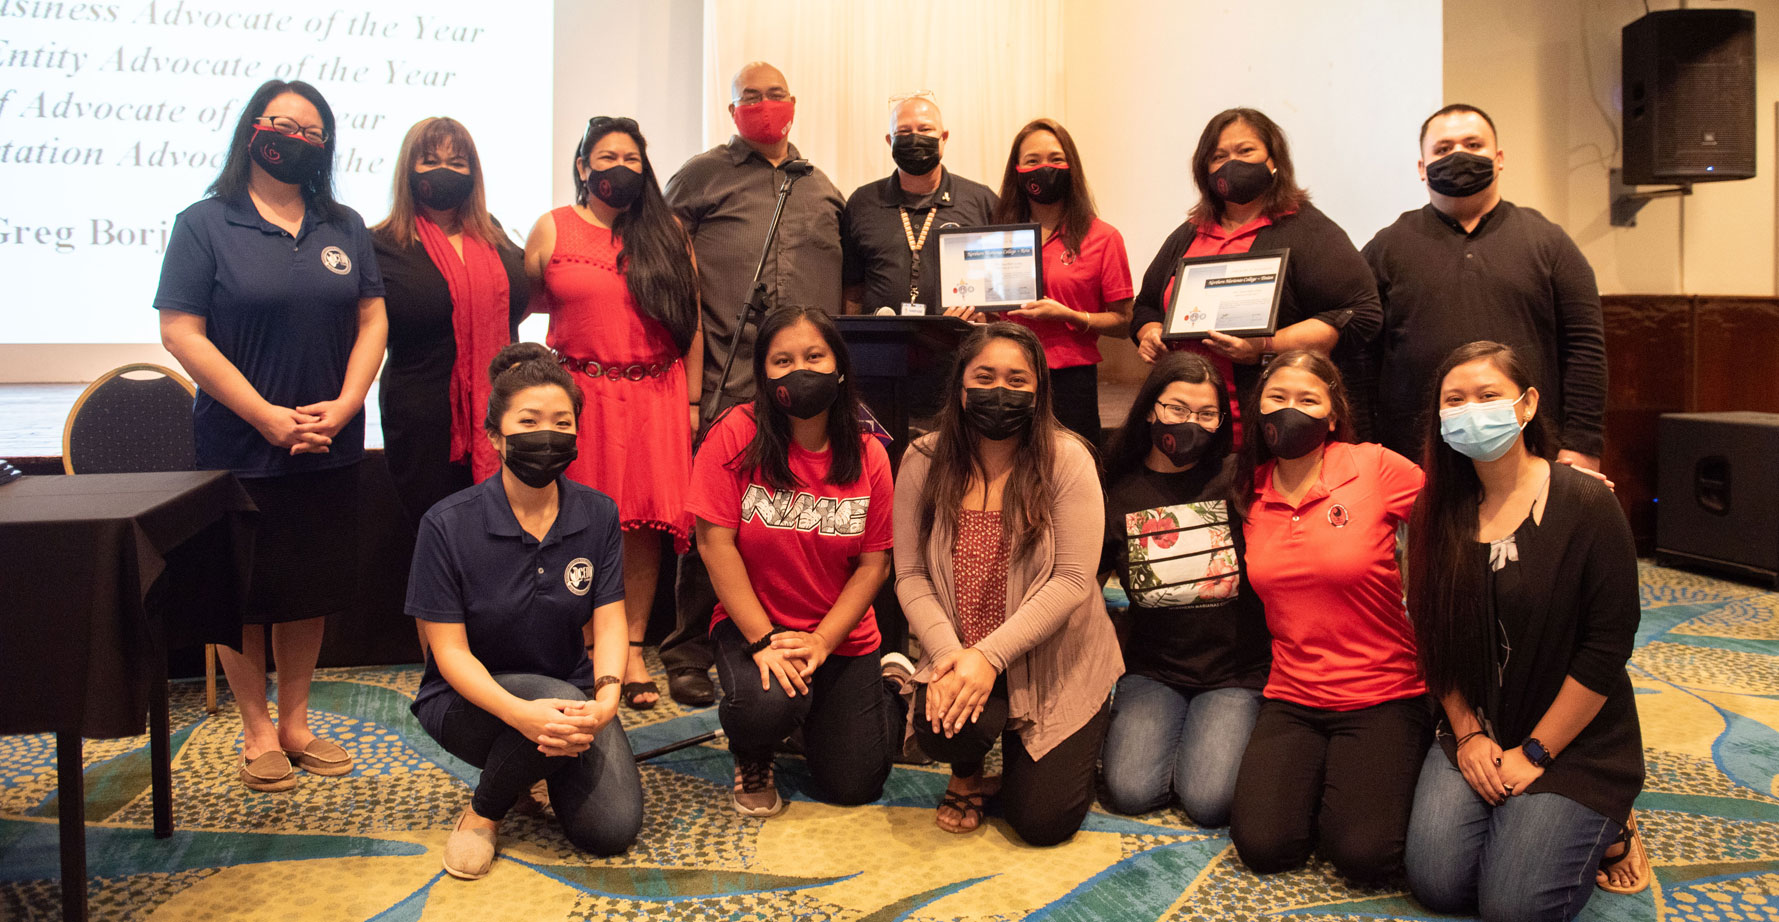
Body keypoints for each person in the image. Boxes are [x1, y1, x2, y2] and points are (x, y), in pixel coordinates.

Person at [155, 79, 387, 792]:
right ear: (253, 131)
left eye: (310, 128)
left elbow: (372, 319)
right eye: (279, 122)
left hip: (329, 444)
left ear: (324, 146)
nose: (293, 136)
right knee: (243, 595)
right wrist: (263, 414)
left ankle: (296, 721)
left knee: (305, 588)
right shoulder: (204, 223)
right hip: (239, 446)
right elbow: (179, 330)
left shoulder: (342, 224)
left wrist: (348, 405)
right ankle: (256, 730)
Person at [1402, 341, 1646, 919]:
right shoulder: (1435, 509)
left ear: (1527, 403)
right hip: (1477, 723)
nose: (1471, 411)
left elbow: (1607, 647)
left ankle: (1615, 828)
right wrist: (1465, 734)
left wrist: (1536, 752)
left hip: (1572, 735)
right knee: (1438, 883)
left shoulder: (1586, 502)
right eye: (1454, 401)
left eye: (1488, 396)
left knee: (1512, 906)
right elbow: (1431, 633)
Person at [406, 343, 644, 878]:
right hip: (466, 702)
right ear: (495, 435)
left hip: (572, 703)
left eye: (562, 422)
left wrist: (607, 698)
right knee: (554, 702)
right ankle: (484, 811)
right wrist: (519, 713)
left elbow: (609, 619)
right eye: (530, 420)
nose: (548, 434)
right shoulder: (446, 524)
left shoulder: (597, 513)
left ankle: (530, 767)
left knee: (611, 831)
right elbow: (447, 653)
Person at [660, 61, 847, 707]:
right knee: (708, 523)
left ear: (792, 104)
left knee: (789, 517)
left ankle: (781, 632)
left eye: (773, 96)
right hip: (723, 382)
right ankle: (685, 648)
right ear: (732, 108)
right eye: (749, 98)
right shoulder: (700, 176)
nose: (763, 106)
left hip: (807, 394)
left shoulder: (822, 188)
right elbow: (660, 256)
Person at [894, 323, 1122, 846]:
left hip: (1053, 655)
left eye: (1018, 380)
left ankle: (1067, 735)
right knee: (941, 728)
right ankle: (967, 772)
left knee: (1041, 823)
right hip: (959, 648)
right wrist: (953, 656)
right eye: (986, 376)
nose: (1001, 391)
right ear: (959, 386)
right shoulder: (923, 460)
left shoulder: (1067, 457)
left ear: (1040, 391)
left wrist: (989, 657)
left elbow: (1072, 580)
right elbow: (908, 574)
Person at [686, 307, 902, 816]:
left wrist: (823, 642)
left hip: (839, 636)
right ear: (763, 374)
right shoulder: (735, 434)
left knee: (856, 785)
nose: (799, 370)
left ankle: (887, 689)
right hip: (754, 629)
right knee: (763, 708)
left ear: (840, 368)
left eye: (814, 356)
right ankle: (754, 750)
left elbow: (875, 566)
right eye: (781, 360)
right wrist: (763, 640)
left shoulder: (870, 452)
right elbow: (714, 544)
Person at [1226, 351, 1431, 884]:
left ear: (1333, 415)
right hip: (1292, 694)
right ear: (1257, 408)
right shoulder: (1248, 489)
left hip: (1384, 691)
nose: (1290, 410)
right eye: (1277, 397)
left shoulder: (1373, 466)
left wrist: (1554, 485)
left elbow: (1459, 507)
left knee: (1365, 858)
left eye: (1308, 399)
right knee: (1263, 847)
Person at [524, 116, 702, 710]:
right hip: (579, 398)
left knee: (642, 529)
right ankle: (583, 650)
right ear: (582, 167)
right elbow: (516, 307)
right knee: (579, 523)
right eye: (606, 157)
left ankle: (627, 650)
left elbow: (691, 321)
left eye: (630, 157)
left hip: (656, 394)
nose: (619, 168)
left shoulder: (667, 231)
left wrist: (697, 399)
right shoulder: (551, 228)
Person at [1363, 104, 1607, 469]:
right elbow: (1360, 357)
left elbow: (1585, 348)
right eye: (1443, 149)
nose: (1459, 155)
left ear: (1499, 158)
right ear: (1421, 167)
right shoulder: (1385, 248)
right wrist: (1364, 448)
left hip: (1531, 454)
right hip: (1414, 460)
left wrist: (1582, 444)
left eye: (1473, 145)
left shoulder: (1550, 243)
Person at [1130, 108, 1380, 444]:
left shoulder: (1308, 230)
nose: (1232, 163)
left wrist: (1265, 346)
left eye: (1246, 151)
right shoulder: (1188, 234)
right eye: (1219, 156)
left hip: (1274, 425)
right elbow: (1145, 307)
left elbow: (1360, 313)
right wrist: (1150, 332)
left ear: (1274, 160)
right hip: (1191, 425)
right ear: (1205, 169)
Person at [1098, 353, 1269, 828]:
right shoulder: (1115, 489)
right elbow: (1084, 588)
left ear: (1221, 421)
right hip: (1154, 670)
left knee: (1209, 802)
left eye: (1206, 413)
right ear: (1150, 409)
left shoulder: (1242, 477)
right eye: (1176, 408)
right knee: (1130, 792)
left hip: (1234, 674)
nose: (1190, 422)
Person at [371, 118, 527, 610]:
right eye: (431, 160)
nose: (444, 171)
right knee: (437, 549)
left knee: (505, 545)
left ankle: (499, 666)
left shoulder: (497, 236)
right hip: (423, 425)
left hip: (501, 417)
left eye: (457, 163)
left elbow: (523, 301)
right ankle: (443, 670)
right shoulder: (380, 244)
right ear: (408, 170)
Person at [993, 118, 1134, 444]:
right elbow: (989, 312)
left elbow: (1124, 321)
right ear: (1017, 169)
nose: (1045, 168)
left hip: (1072, 382)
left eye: (1056, 159)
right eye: (1032, 160)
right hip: (1007, 374)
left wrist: (1070, 316)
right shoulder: (995, 237)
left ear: (1072, 166)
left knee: (1072, 475)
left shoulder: (1104, 237)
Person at [841, 93, 999, 316]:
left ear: (944, 137)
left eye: (925, 130)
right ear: (890, 141)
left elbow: (1001, 280)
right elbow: (852, 288)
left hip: (962, 344)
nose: (915, 138)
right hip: (881, 344)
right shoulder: (862, 202)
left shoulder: (980, 200)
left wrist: (988, 320)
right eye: (904, 132)